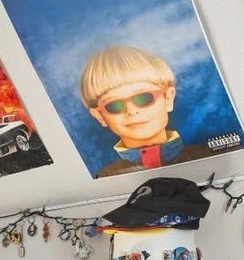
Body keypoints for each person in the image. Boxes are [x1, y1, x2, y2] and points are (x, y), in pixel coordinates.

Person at [79, 46, 209, 178]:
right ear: (100, 116)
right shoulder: (106, 177)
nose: (131, 111)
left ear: (168, 99)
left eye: (143, 98)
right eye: (114, 105)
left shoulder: (208, 155)